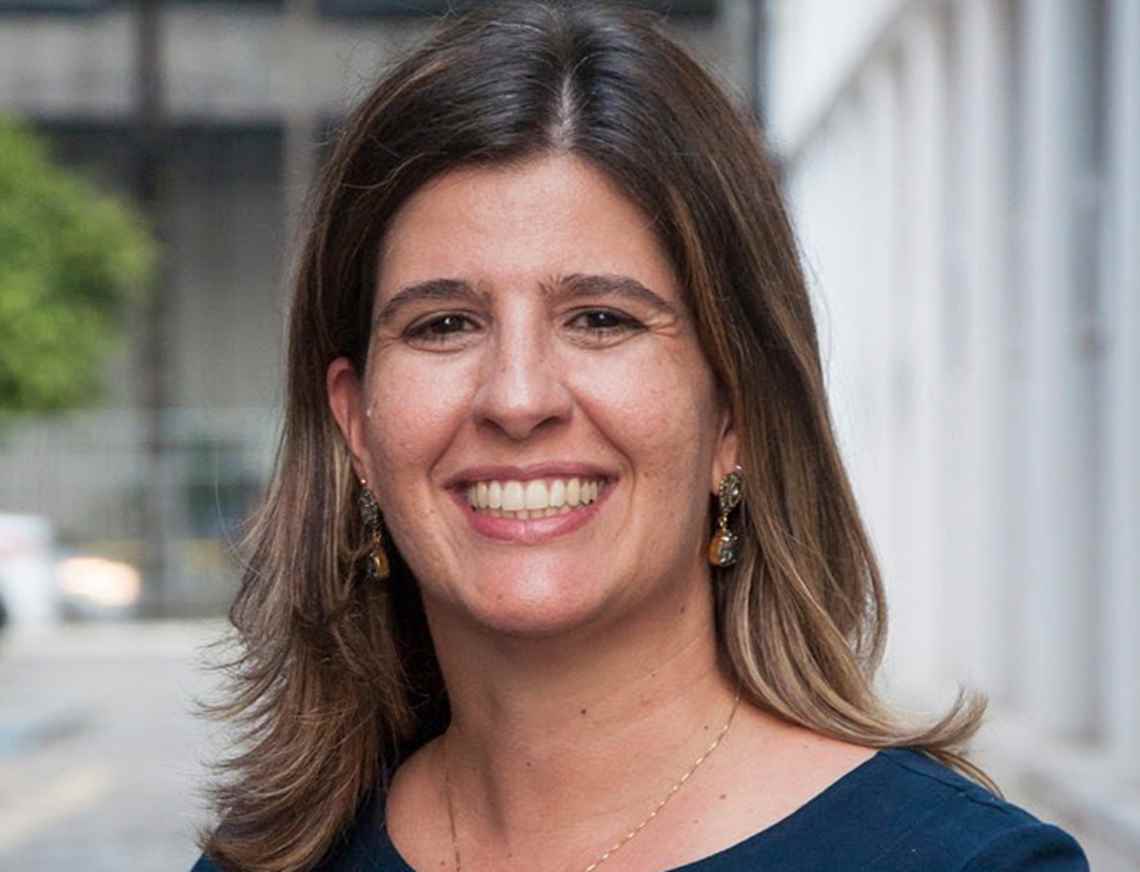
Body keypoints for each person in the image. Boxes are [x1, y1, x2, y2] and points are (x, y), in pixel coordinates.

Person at [192, 2, 1089, 870]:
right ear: (356, 423)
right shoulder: (273, 863)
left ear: (734, 411)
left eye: (601, 318)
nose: (517, 398)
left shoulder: (968, 866)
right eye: (445, 325)